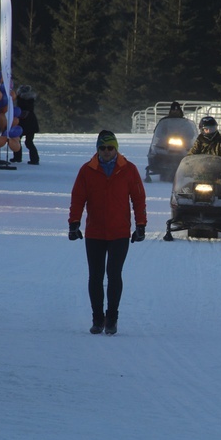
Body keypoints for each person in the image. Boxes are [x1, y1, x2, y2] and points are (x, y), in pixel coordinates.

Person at [68, 130, 147, 335]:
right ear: (97, 149)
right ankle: (97, 319)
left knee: (114, 274)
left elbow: (138, 199)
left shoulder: (128, 170)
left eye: (110, 148)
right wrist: (74, 223)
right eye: (102, 148)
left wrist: (141, 225)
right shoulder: (87, 170)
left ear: (116, 148)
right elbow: (78, 198)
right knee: (95, 276)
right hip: (95, 232)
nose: (106, 152)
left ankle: (111, 318)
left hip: (119, 232)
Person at [11, 85, 40, 165]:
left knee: (17, 140)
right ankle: (35, 159)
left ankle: (17, 157)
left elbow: (22, 111)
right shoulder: (31, 99)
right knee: (29, 142)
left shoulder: (21, 99)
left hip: (23, 122)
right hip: (31, 123)